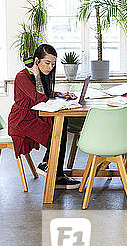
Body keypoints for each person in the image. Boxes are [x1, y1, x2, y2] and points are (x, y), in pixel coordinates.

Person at [8, 43, 81, 189]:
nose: (50, 67)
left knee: (62, 123)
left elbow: (45, 95)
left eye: (53, 64)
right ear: (36, 61)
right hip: (22, 120)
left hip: (34, 116)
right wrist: (35, 74)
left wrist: (60, 94)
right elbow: (39, 98)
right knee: (56, 136)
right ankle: (53, 172)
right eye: (47, 63)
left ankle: (51, 169)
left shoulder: (42, 76)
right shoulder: (22, 77)